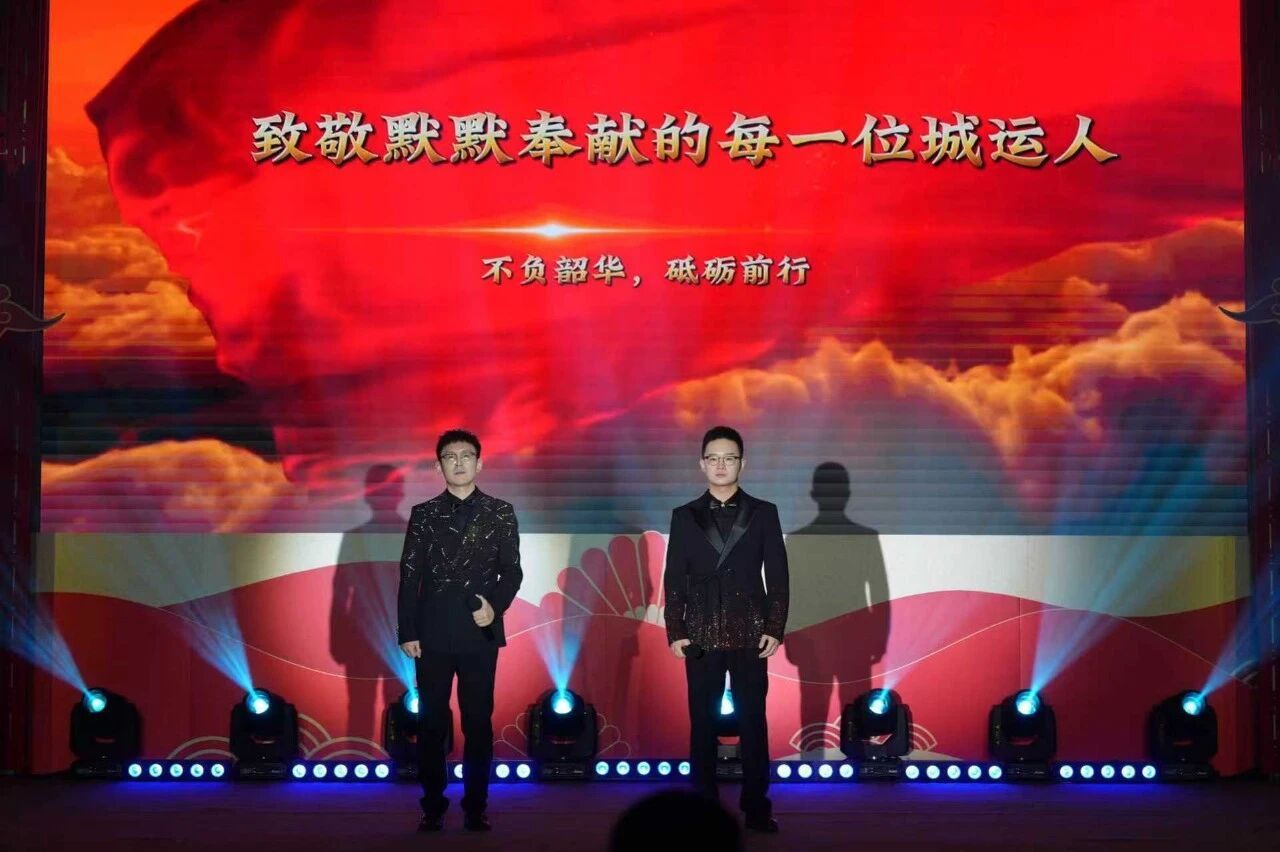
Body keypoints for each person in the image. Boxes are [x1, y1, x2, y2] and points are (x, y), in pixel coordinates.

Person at [663, 425, 789, 833]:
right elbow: (674, 578)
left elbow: (778, 576)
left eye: (729, 458)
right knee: (702, 725)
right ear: (702, 464)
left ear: (742, 464)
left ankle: (757, 808)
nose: (721, 465)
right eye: (713, 458)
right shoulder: (684, 516)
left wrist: (774, 625)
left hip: (751, 630)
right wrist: (676, 629)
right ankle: (704, 810)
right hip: (700, 631)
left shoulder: (764, 512)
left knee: (753, 723)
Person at [397, 429, 522, 832]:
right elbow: (410, 575)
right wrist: (407, 630)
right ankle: (433, 805)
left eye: (466, 456)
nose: (459, 463)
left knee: (478, 723)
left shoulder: (500, 512)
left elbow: (512, 571)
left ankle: (475, 806)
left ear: (479, 463)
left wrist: (494, 607)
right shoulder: (424, 514)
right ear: (439, 467)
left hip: (479, 632)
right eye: (450, 457)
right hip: (432, 634)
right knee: (431, 723)